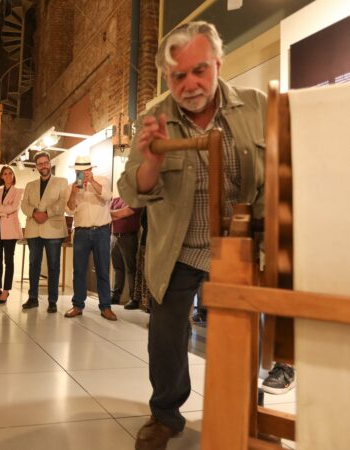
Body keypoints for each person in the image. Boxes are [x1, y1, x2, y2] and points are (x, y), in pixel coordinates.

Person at [118, 21, 266, 450]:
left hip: (237, 249)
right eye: (179, 76)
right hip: (176, 249)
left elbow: (275, 180)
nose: (190, 84)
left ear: (219, 64)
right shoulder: (154, 117)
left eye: (200, 70)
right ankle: (165, 414)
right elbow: (133, 191)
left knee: (241, 334)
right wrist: (150, 160)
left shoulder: (256, 107)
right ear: (168, 77)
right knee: (165, 338)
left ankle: (243, 410)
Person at [64, 155, 116, 321]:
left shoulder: (102, 180)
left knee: (102, 269)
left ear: (91, 169)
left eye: (86, 170)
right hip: (81, 231)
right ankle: (78, 305)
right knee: (79, 270)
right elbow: (70, 210)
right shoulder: (71, 186)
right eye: (80, 170)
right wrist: (73, 193)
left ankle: (105, 307)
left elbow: (108, 197)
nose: (83, 173)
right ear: (76, 171)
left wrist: (92, 182)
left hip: (102, 230)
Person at [20, 151, 69, 313]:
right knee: (33, 264)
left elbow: (63, 202)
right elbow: (24, 205)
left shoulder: (62, 182)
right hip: (34, 229)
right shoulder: (30, 185)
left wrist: (46, 213)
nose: (43, 166)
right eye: (40, 164)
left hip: (53, 228)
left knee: (54, 265)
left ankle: (52, 300)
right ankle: (33, 298)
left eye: (45, 162)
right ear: (36, 167)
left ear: (49, 163)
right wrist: (34, 212)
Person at [0, 166, 23, 304]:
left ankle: (6, 291)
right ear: (1, 176)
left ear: (13, 176)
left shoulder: (19, 191)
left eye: (10, 173)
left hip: (10, 231)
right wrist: (4, 212)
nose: (7, 176)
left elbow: (13, 208)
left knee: (8, 261)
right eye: (5, 174)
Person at [109, 196, 142, 309]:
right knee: (117, 267)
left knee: (130, 268)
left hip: (128, 236)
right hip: (114, 236)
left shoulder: (135, 199)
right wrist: (115, 214)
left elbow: (125, 212)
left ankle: (133, 298)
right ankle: (115, 296)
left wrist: (113, 214)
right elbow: (108, 216)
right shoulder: (116, 200)